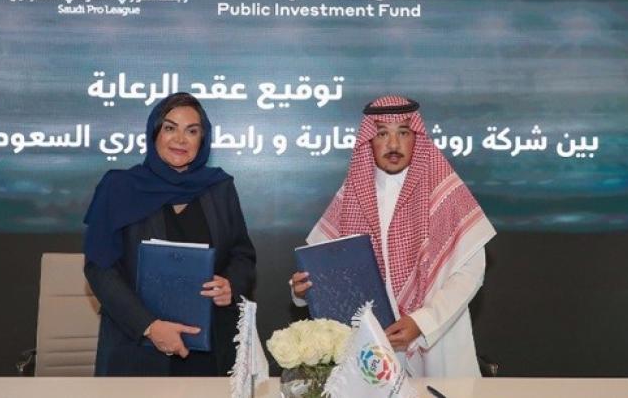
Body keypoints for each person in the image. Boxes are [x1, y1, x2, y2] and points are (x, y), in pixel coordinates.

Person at [290, 95, 495, 377]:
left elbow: (471, 270)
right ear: (369, 141)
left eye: (403, 133)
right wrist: (300, 291)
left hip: (436, 340)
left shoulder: (444, 193)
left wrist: (422, 322)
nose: (394, 144)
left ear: (416, 138)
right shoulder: (352, 195)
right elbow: (324, 267)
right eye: (382, 134)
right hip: (371, 346)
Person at [83, 92, 257, 376]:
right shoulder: (119, 188)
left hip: (209, 350)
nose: (180, 139)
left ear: (203, 139)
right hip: (137, 349)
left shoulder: (219, 188)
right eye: (170, 128)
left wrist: (231, 285)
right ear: (155, 133)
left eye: (192, 131)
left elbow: (242, 256)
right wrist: (149, 326)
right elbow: (99, 269)